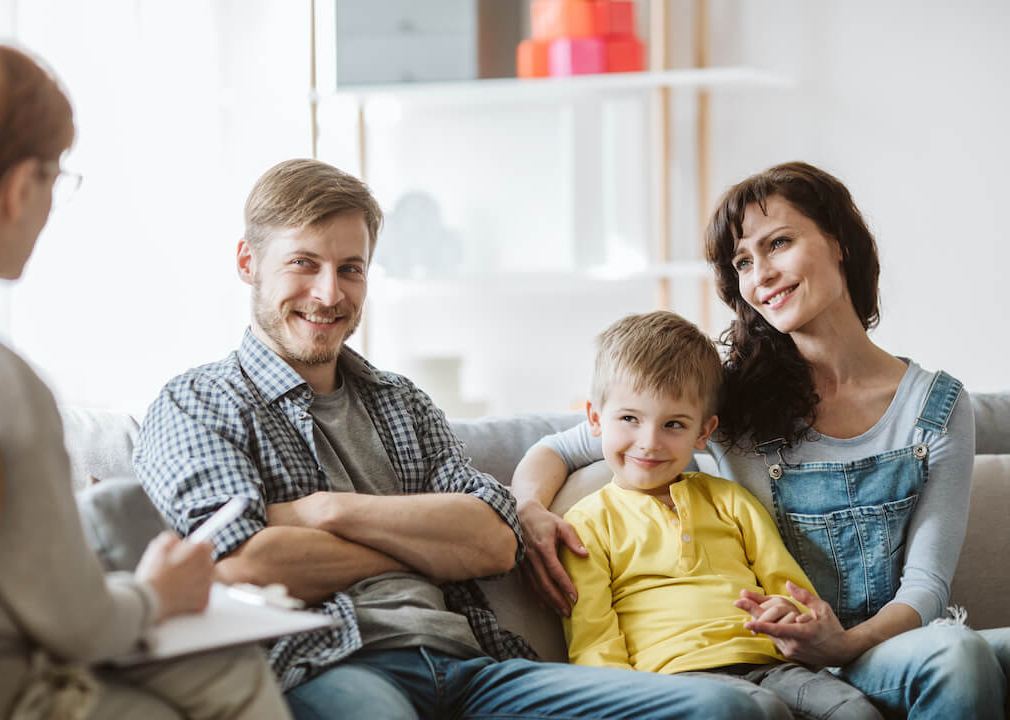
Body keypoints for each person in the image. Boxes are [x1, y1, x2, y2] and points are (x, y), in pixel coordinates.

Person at [133, 157, 777, 720]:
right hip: (333, 665)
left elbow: (494, 542)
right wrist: (429, 548)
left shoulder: (402, 402)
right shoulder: (197, 405)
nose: (329, 293)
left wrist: (328, 512)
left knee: (721, 708)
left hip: (474, 666)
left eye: (350, 268)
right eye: (303, 263)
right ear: (249, 262)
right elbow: (238, 567)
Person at [512, 161, 1010, 719]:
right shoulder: (727, 398)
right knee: (966, 657)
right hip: (767, 659)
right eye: (743, 262)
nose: (761, 274)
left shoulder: (935, 407)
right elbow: (561, 446)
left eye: (778, 243)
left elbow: (925, 586)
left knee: (963, 653)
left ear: (838, 241)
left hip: (878, 650)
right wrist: (527, 509)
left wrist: (842, 643)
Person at [0, 39, 290, 720]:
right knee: (233, 677)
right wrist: (158, 591)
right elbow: (79, 625)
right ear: (16, 189)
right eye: (56, 179)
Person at [560, 311, 880, 719]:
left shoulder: (730, 500)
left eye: (673, 424)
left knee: (854, 709)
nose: (649, 442)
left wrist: (789, 614)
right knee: (760, 711)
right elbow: (593, 640)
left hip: (771, 665)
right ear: (594, 418)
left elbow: (787, 585)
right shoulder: (586, 523)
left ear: (703, 433)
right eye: (629, 419)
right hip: (675, 680)